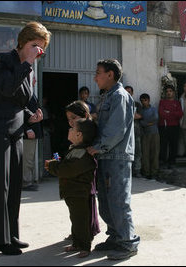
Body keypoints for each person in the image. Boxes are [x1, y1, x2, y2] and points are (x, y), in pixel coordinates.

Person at [0, 21, 51, 255]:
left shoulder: (27, 70)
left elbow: (18, 102)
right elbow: (6, 88)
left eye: (41, 49)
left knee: (15, 185)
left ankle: (11, 235)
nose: (38, 52)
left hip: (15, 130)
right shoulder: (4, 60)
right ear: (23, 43)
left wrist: (31, 115)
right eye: (35, 46)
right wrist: (27, 62)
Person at [87, 59, 140, 260]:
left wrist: (98, 147)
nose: (95, 77)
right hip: (105, 155)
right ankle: (116, 237)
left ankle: (128, 243)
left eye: (98, 72)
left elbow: (116, 129)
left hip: (116, 156)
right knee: (107, 201)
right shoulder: (107, 97)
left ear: (110, 74)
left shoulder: (119, 96)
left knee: (118, 200)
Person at [45, 118, 100, 258]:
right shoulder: (75, 149)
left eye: (72, 128)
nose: (69, 129)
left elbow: (68, 170)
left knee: (81, 220)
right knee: (75, 219)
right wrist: (57, 164)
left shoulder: (83, 153)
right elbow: (67, 166)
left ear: (78, 135)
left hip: (79, 193)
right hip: (72, 192)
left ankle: (85, 246)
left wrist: (52, 166)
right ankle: (77, 243)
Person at [63, 100, 92, 241]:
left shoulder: (88, 139)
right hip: (75, 186)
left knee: (84, 210)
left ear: (85, 115)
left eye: (74, 118)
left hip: (83, 184)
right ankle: (78, 234)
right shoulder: (77, 137)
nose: (71, 122)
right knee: (76, 212)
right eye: (69, 119)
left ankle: (84, 237)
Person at [158, 85, 183, 169]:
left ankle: (172, 162)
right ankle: (163, 162)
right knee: (163, 145)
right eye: (167, 91)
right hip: (163, 126)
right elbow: (161, 114)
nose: (169, 93)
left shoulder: (177, 103)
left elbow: (180, 114)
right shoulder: (162, 102)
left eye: (170, 91)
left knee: (173, 145)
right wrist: (172, 113)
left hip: (174, 126)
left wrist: (169, 112)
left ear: (173, 92)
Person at [22, 94, 44, 191]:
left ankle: (28, 181)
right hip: (28, 132)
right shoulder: (23, 94)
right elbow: (20, 113)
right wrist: (27, 129)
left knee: (29, 158)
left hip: (34, 131)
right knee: (27, 160)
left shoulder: (31, 94)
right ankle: (26, 182)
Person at [139, 93, 160, 178]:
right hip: (145, 134)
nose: (144, 102)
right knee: (145, 154)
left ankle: (154, 172)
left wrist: (145, 123)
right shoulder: (141, 111)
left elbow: (155, 118)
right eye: (142, 101)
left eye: (145, 100)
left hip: (155, 133)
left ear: (149, 100)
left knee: (155, 153)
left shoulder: (153, 109)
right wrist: (149, 123)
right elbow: (141, 123)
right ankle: (146, 172)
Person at [125, 85, 143, 177]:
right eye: (126, 91)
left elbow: (139, 116)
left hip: (136, 132)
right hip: (124, 134)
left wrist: (128, 115)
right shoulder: (121, 103)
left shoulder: (137, 104)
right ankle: (128, 172)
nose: (128, 93)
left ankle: (137, 171)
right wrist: (132, 115)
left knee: (138, 152)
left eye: (129, 92)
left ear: (132, 93)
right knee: (126, 153)